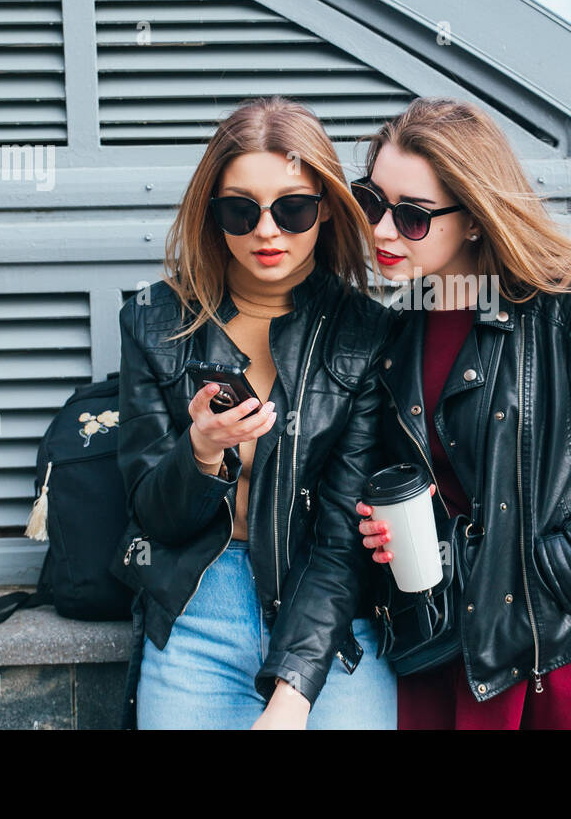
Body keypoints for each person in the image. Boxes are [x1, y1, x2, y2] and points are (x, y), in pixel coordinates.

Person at [352, 97, 571, 729]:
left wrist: (557, 568)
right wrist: (385, 533)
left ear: (476, 219)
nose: (380, 230)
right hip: (447, 646)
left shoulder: (570, 305)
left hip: (561, 648)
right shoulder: (397, 335)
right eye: (372, 202)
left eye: (411, 215)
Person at [111, 96, 397, 729]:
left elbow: (340, 537)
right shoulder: (155, 324)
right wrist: (202, 451)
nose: (268, 231)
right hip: (198, 606)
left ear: (325, 210)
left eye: (293, 209)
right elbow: (153, 513)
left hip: (326, 613)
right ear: (213, 218)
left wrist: (292, 693)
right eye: (242, 211)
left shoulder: (367, 335)